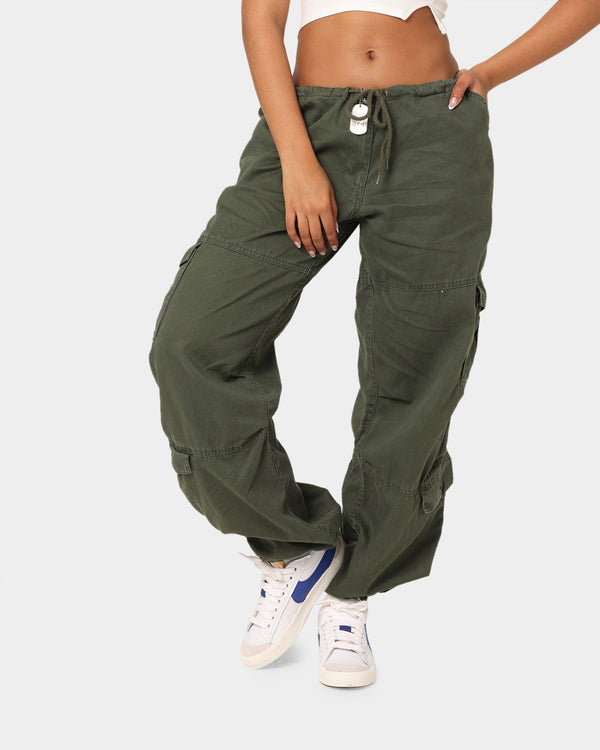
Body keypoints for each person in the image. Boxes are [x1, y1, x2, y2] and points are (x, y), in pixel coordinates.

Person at [149, 0, 600, 688]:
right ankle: (293, 546)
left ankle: (352, 593)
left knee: (414, 372)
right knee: (194, 340)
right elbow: (261, 20)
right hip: (305, 123)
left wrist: (489, 74)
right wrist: (297, 159)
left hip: (434, 131)